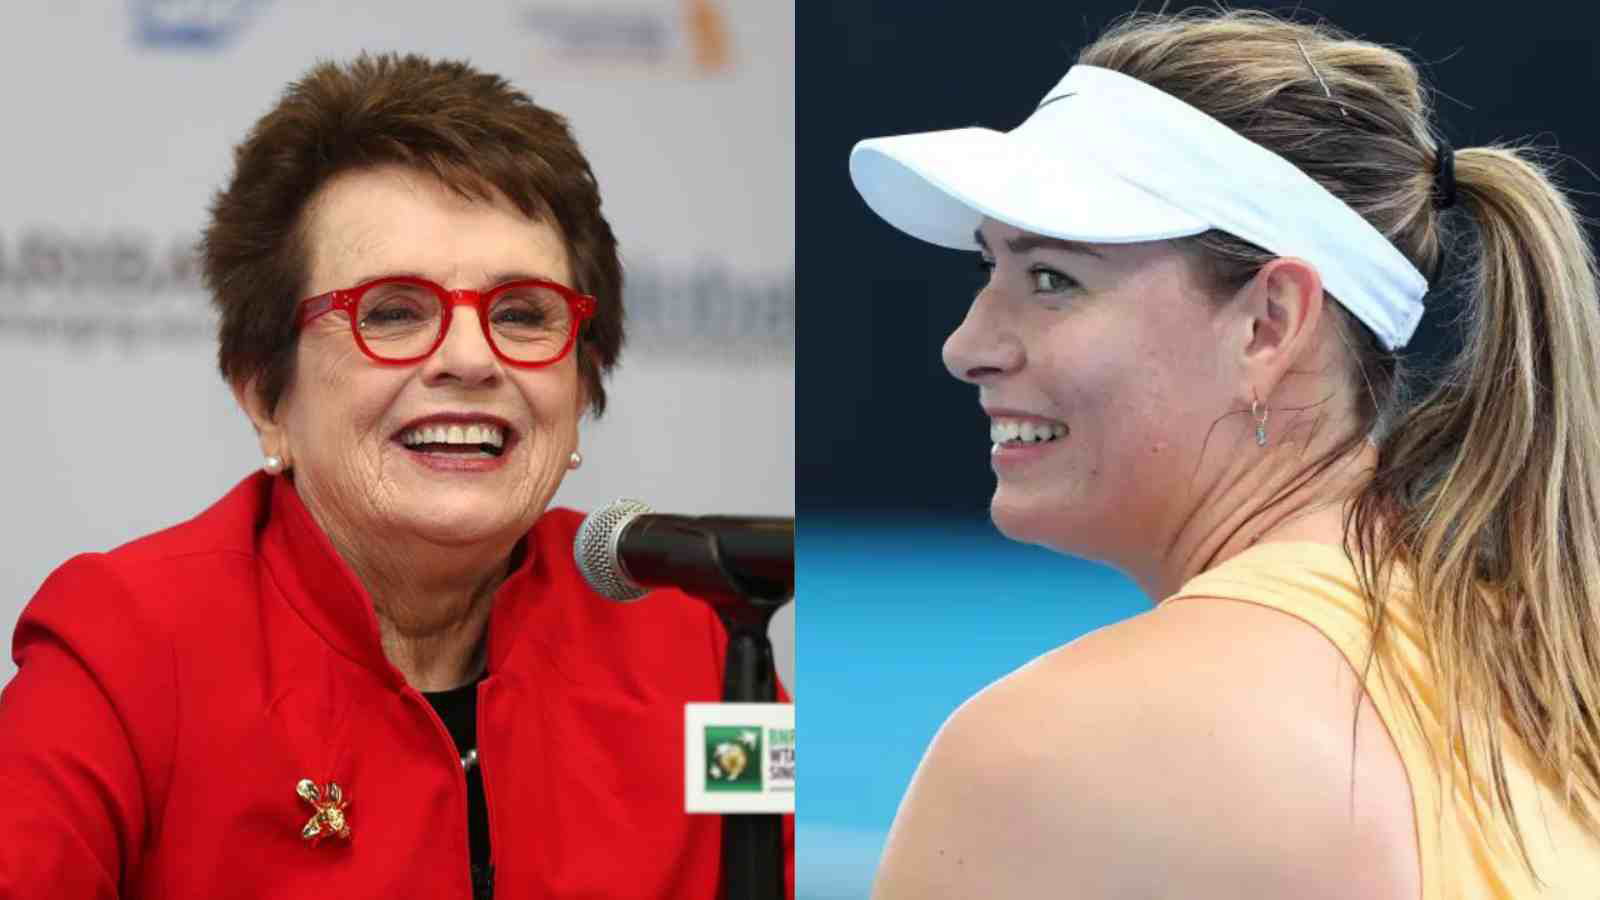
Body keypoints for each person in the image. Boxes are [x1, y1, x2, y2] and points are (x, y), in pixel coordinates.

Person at [0, 53, 793, 899]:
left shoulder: (695, 637)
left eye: (522, 314)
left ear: (583, 385)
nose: (467, 358)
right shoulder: (126, 652)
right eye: (391, 312)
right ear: (266, 396)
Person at [849, 9, 1600, 899]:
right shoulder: (1549, 661)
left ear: (1267, 324)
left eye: (1054, 278)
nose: (967, 344)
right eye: (990, 270)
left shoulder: (1051, 752)